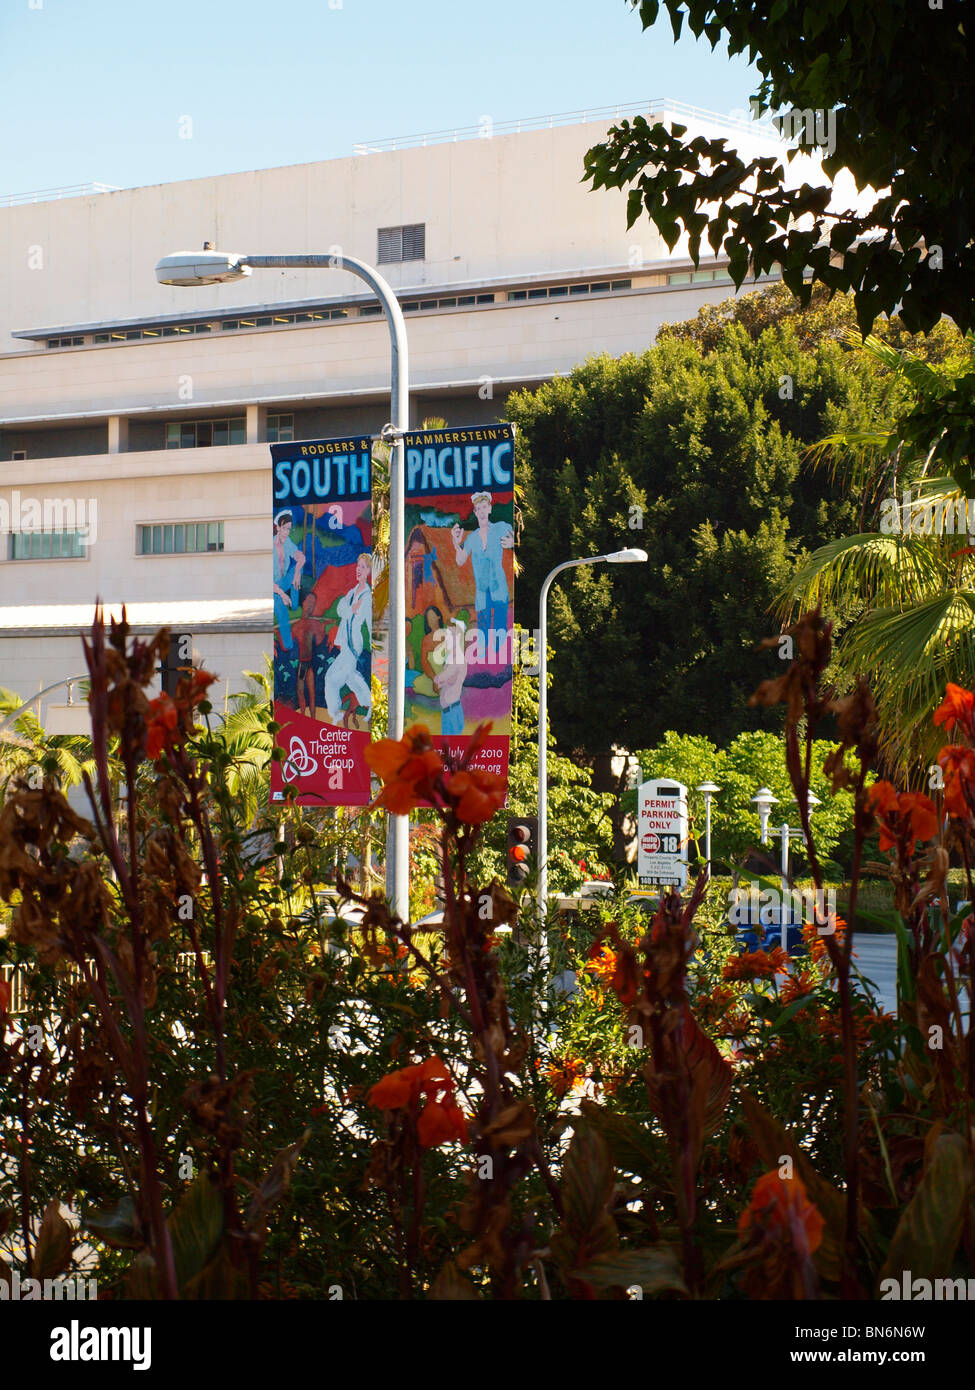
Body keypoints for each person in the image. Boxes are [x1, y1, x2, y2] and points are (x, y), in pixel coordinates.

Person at [450, 492, 513, 658]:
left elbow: (515, 536)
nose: (482, 511)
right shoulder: (471, 538)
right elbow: (460, 560)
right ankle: (485, 661)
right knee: (483, 629)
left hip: (499, 588)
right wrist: (456, 544)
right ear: (476, 513)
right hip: (482, 592)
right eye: (479, 508)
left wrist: (513, 542)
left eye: (485, 507)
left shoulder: (501, 527)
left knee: (500, 627)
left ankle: (499, 659)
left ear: (490, 509)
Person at [324, 551, 372, 725]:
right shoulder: (352, 592)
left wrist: (376, 642)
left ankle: (334, 711)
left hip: (353, 644)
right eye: (358, 566)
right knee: (353, 678)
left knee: (331, 678)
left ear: (368, 572)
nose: (359, 569)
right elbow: (340, 609)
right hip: (345, 642)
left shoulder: (367, 596)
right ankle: (370, 705)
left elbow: (369, 621)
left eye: (364, 567)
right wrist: (350, 609)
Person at [290, 595, 328, 719]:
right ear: (304, 603)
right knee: (300, 692)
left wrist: (323, 627)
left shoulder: (314, 623)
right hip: (301, 663)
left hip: (310, 663)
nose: (311, 605)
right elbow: (288, 644)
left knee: (311, 694)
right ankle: (302, 716)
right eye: (309, 601)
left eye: (313, 603)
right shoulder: (296, 626)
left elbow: (319, 640)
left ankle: (312, 718)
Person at [273, 510, 305, 651]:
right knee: (280, 606)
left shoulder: (287, 543)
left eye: (289, 529)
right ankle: (288, 645)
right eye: (284, 528)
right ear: (278, 527)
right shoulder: (271, 546)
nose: (286, 532)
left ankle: (294, 603)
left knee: (299, 569)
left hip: (284, 581)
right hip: (273, 587)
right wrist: (282, 594)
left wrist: (297, 574)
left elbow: (301, 558)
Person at [434, 617, 469, 735]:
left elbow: (441, 679)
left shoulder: (457, 659)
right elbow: (444, 680)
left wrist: (439, 680)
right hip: (450, 711)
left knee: (450, 750)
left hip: (452, 713)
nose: (446, 639)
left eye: (449, 636)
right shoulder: (452, 658)